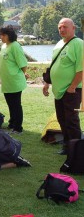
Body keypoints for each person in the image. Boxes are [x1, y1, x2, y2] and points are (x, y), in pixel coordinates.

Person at [43, 18, 83, 155]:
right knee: (62, 118)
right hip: (59, 91)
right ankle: (67, 146)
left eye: (65, 26)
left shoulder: (78, 44)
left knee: (71, 120)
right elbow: (53, 66)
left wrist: (72, 86)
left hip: (72, 90)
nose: (62, 29)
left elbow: (81, 69)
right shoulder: (59, 44)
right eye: (59, 27)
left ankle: (76, 149)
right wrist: (47, 83)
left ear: (74, 28)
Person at [0, 26, 29, 134]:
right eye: (0, 35)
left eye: (3, 35)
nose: (1, 37)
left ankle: (18, 128)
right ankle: (12, 123)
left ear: (9, 35)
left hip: (15, 81)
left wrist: (24, 73)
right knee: (10, 104)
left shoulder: (15, 46)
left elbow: (23, 64)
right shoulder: (4, 46)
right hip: (7, 82)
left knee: (16, 105)